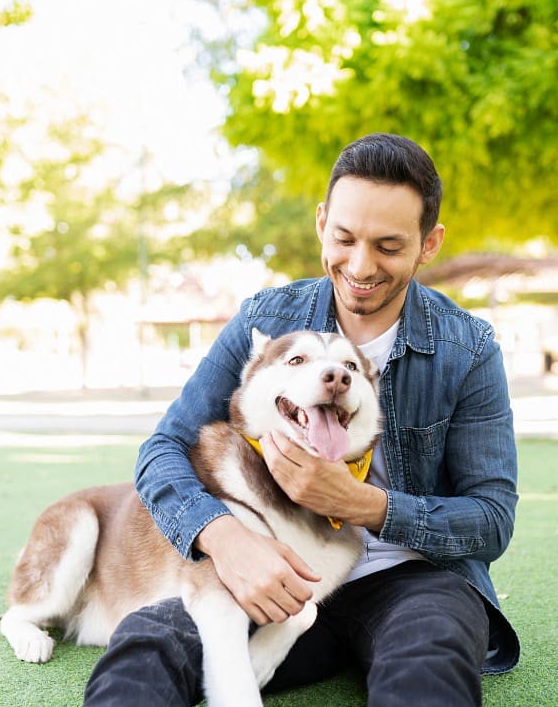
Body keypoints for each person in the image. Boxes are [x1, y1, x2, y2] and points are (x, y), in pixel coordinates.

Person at [83, 133, 520, 706]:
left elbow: (491, 519)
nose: (360, 266)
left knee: (429, 665)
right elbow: (163, 449)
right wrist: (225, 539)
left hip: (409, 582)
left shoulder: (468, 348)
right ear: (322, 225)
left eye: (389, 246)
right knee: (149, 643)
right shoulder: (266, 319)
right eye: (344, 238)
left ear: (429, 243)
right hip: (273, 568)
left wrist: (360, 503)